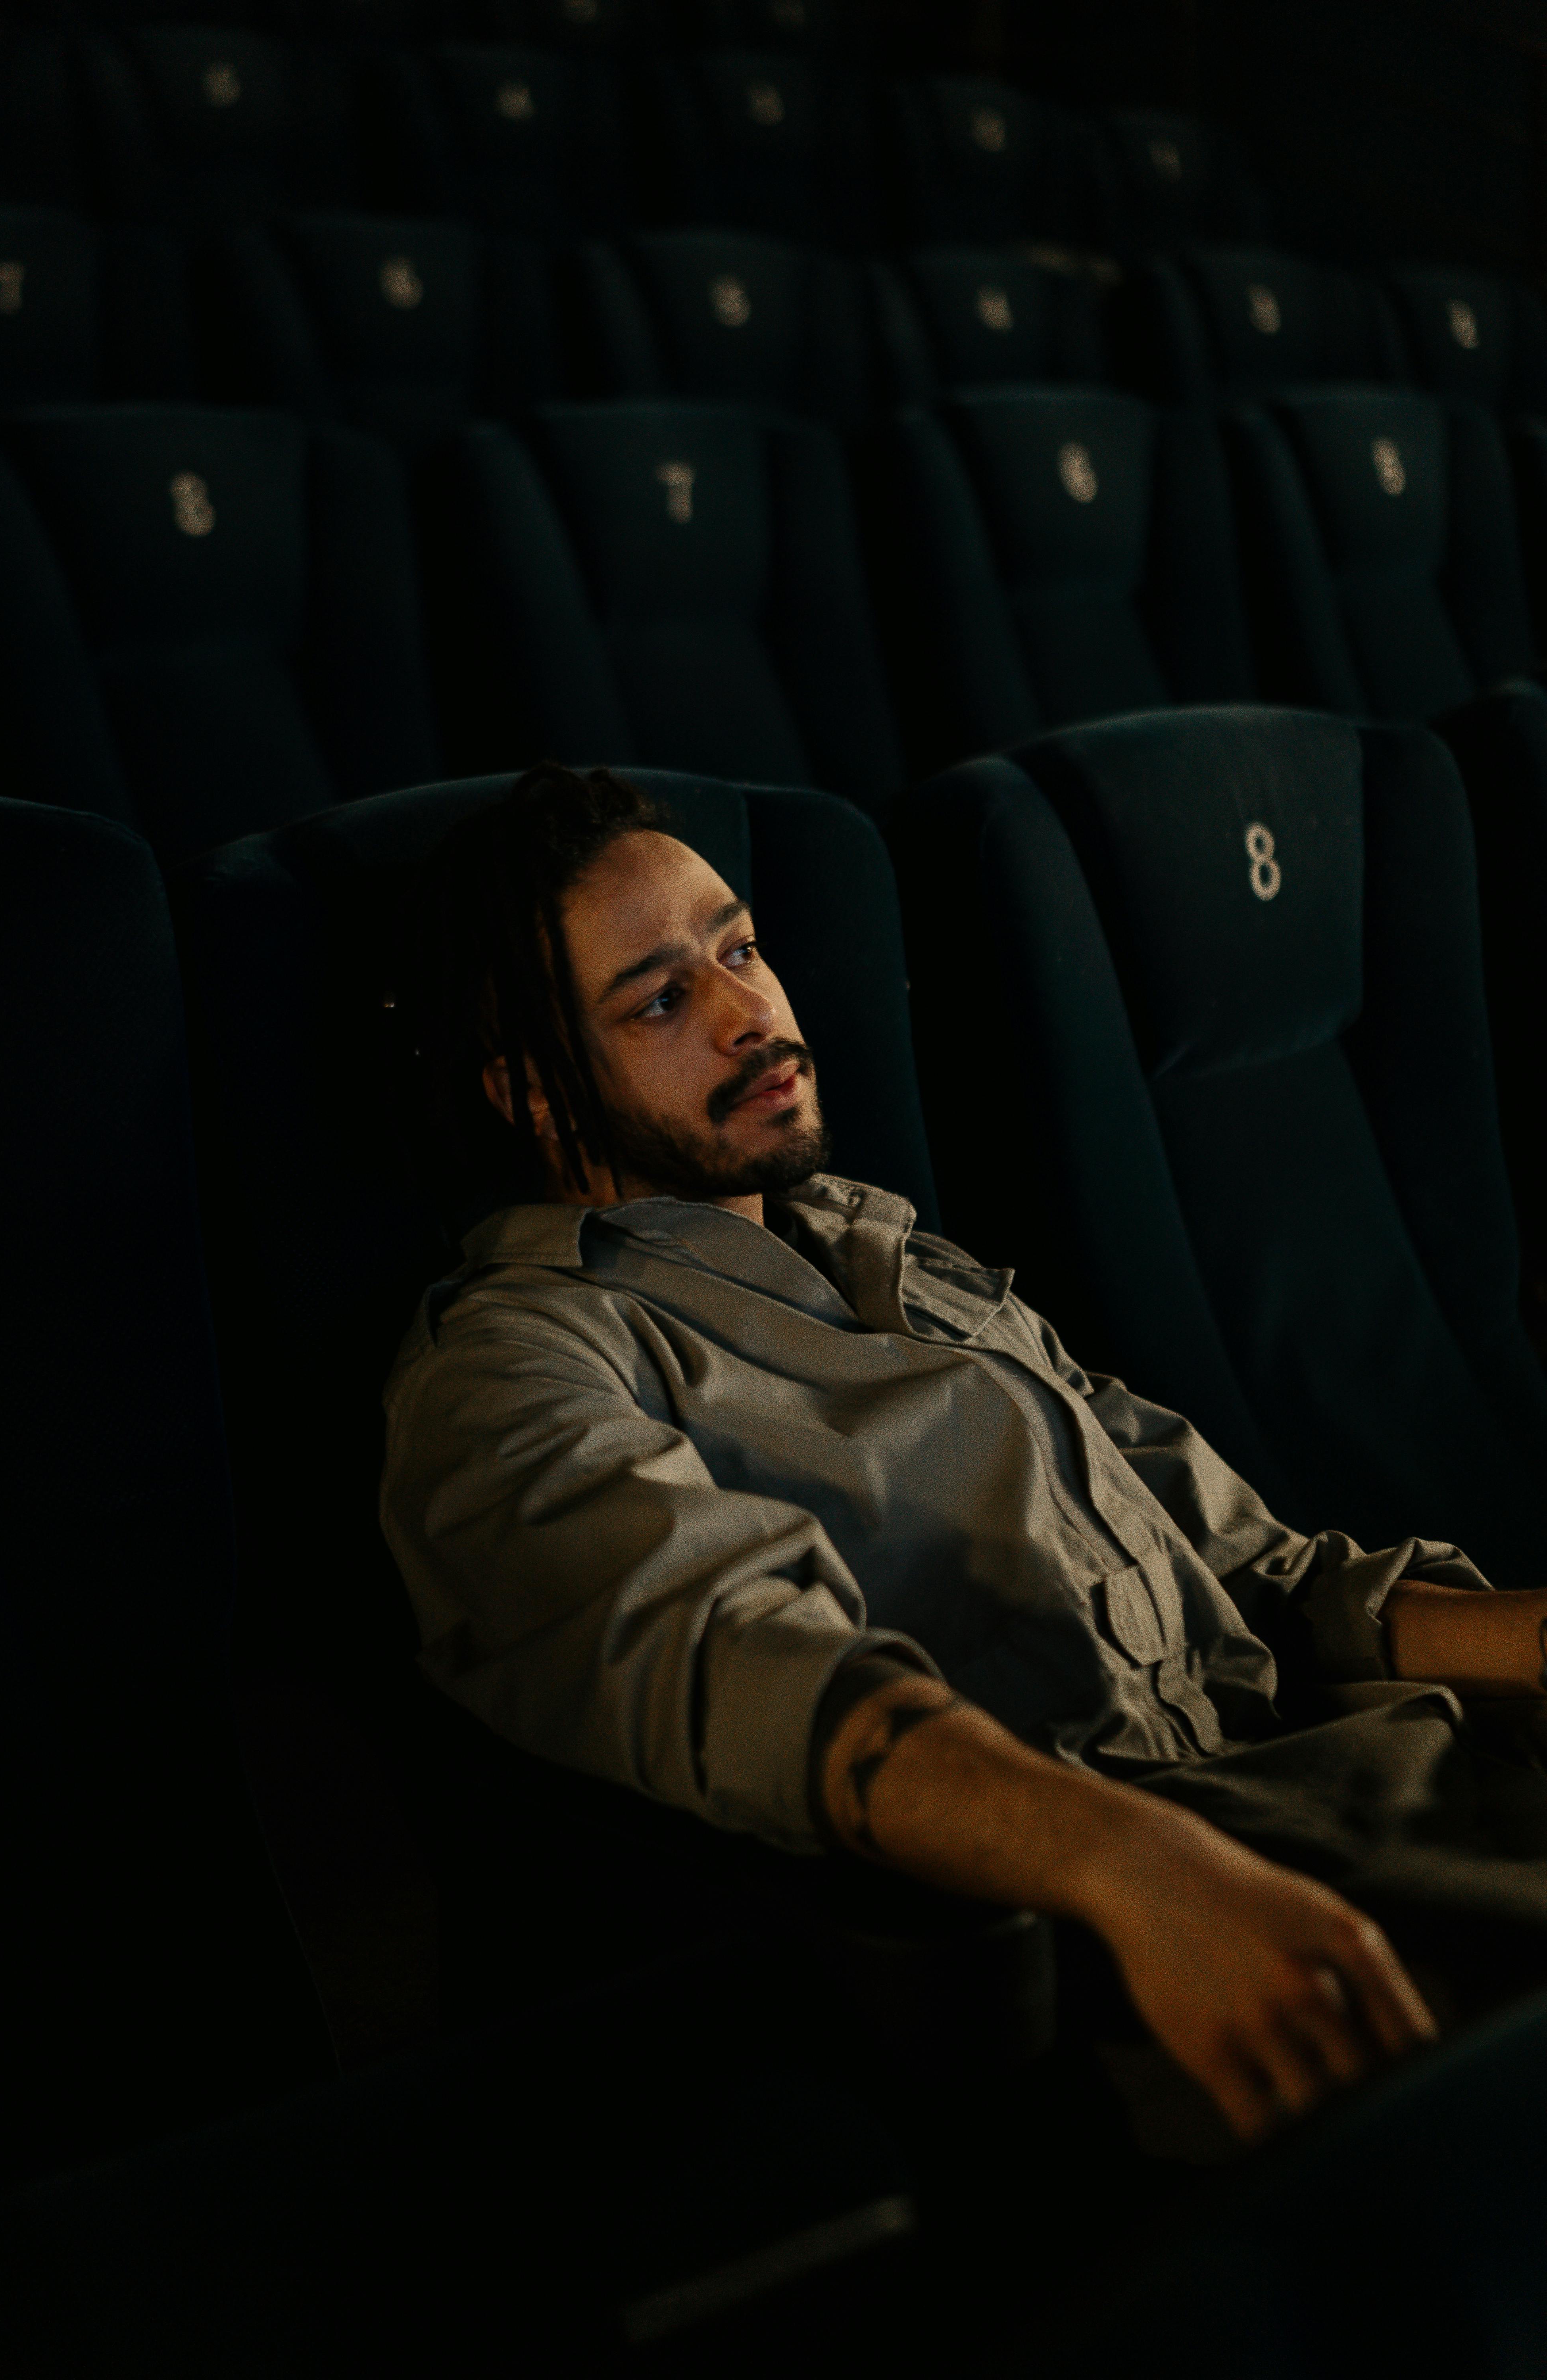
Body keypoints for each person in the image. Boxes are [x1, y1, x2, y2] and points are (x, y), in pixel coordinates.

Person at [382, 763, 1547, 2148]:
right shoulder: (516, 1361)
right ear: (534, 1093)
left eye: (742, 950)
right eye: (660, 1001)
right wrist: (1137, 1865)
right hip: (1118, 1897)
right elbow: (745, 1665)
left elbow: (1255, 1572)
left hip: (1368, 1771)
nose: (754, 1015)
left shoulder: (897, 1252)